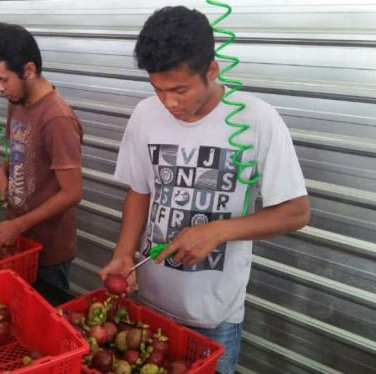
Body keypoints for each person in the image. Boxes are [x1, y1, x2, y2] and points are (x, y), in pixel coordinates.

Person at [98, 6, 310, 374]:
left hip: (213, 317)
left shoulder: (256, 120)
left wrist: (217, 230)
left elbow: (296, 211)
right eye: (158, 89)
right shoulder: (145, 114)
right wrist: (122, 252)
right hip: (149, 300)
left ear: (212, 71)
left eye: (180, 89)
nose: (169, 103)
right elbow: (139, 190)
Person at [0, 23, 83, 293]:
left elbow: (72, 193)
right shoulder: (18, 101)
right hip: (19, 239)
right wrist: (2, 172)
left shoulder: (56, 118)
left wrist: (18, 224)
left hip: (47, 253)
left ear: (28, 70)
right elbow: (19, 155)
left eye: (3, 79)